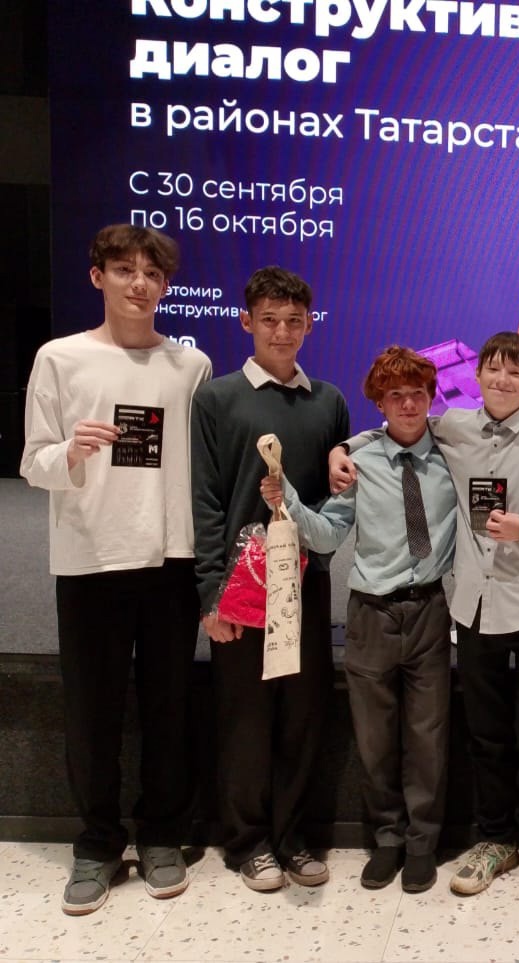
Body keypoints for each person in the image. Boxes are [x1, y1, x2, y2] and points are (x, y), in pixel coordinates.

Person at [329, 332, 519, 900]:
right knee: (486, 734)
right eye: (493, 370)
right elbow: (395, 429)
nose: (502, 381)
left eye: (516, 373)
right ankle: (495, 838)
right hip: (475, 608)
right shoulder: (453, 427)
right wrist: (341, 447)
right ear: (477, 377)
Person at [20, 224, 211, 915]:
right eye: (125, 269)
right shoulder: (60, 358)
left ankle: (161, 833)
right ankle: (98, 843)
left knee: (169, 707)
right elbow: (33, 462)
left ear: (166, 285)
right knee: (91, 711)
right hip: (91, 559)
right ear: (97, 276)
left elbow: (201, 465)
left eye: (152, 273)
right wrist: (70, 451)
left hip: (169, 559)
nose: (140, 283)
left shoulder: (190, 365)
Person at [263, 346, 457, 894]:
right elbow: (327, 535)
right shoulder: (359, 463)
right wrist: (288, 500)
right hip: (371, 614)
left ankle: (421, 843)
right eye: (395, 395)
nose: (408, 404)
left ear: (431, 396)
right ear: (379, 402)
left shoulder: (453, 454)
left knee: (428, 736)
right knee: (374, 738)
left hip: (429, 608)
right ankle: (387, 838)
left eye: (417, 393)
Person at [191, 266, 350, 892]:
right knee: (246, 719)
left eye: (294, 321)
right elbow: (206, 500)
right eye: (269, 320)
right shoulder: (217, 399)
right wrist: (212, 593)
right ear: (246, 322)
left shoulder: (328, 401)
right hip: (239, 587)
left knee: (302, 715)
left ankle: (292, 838)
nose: (282, 332)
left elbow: (336, 498)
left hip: (303, 584)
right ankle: (248, 842)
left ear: (309, 325)